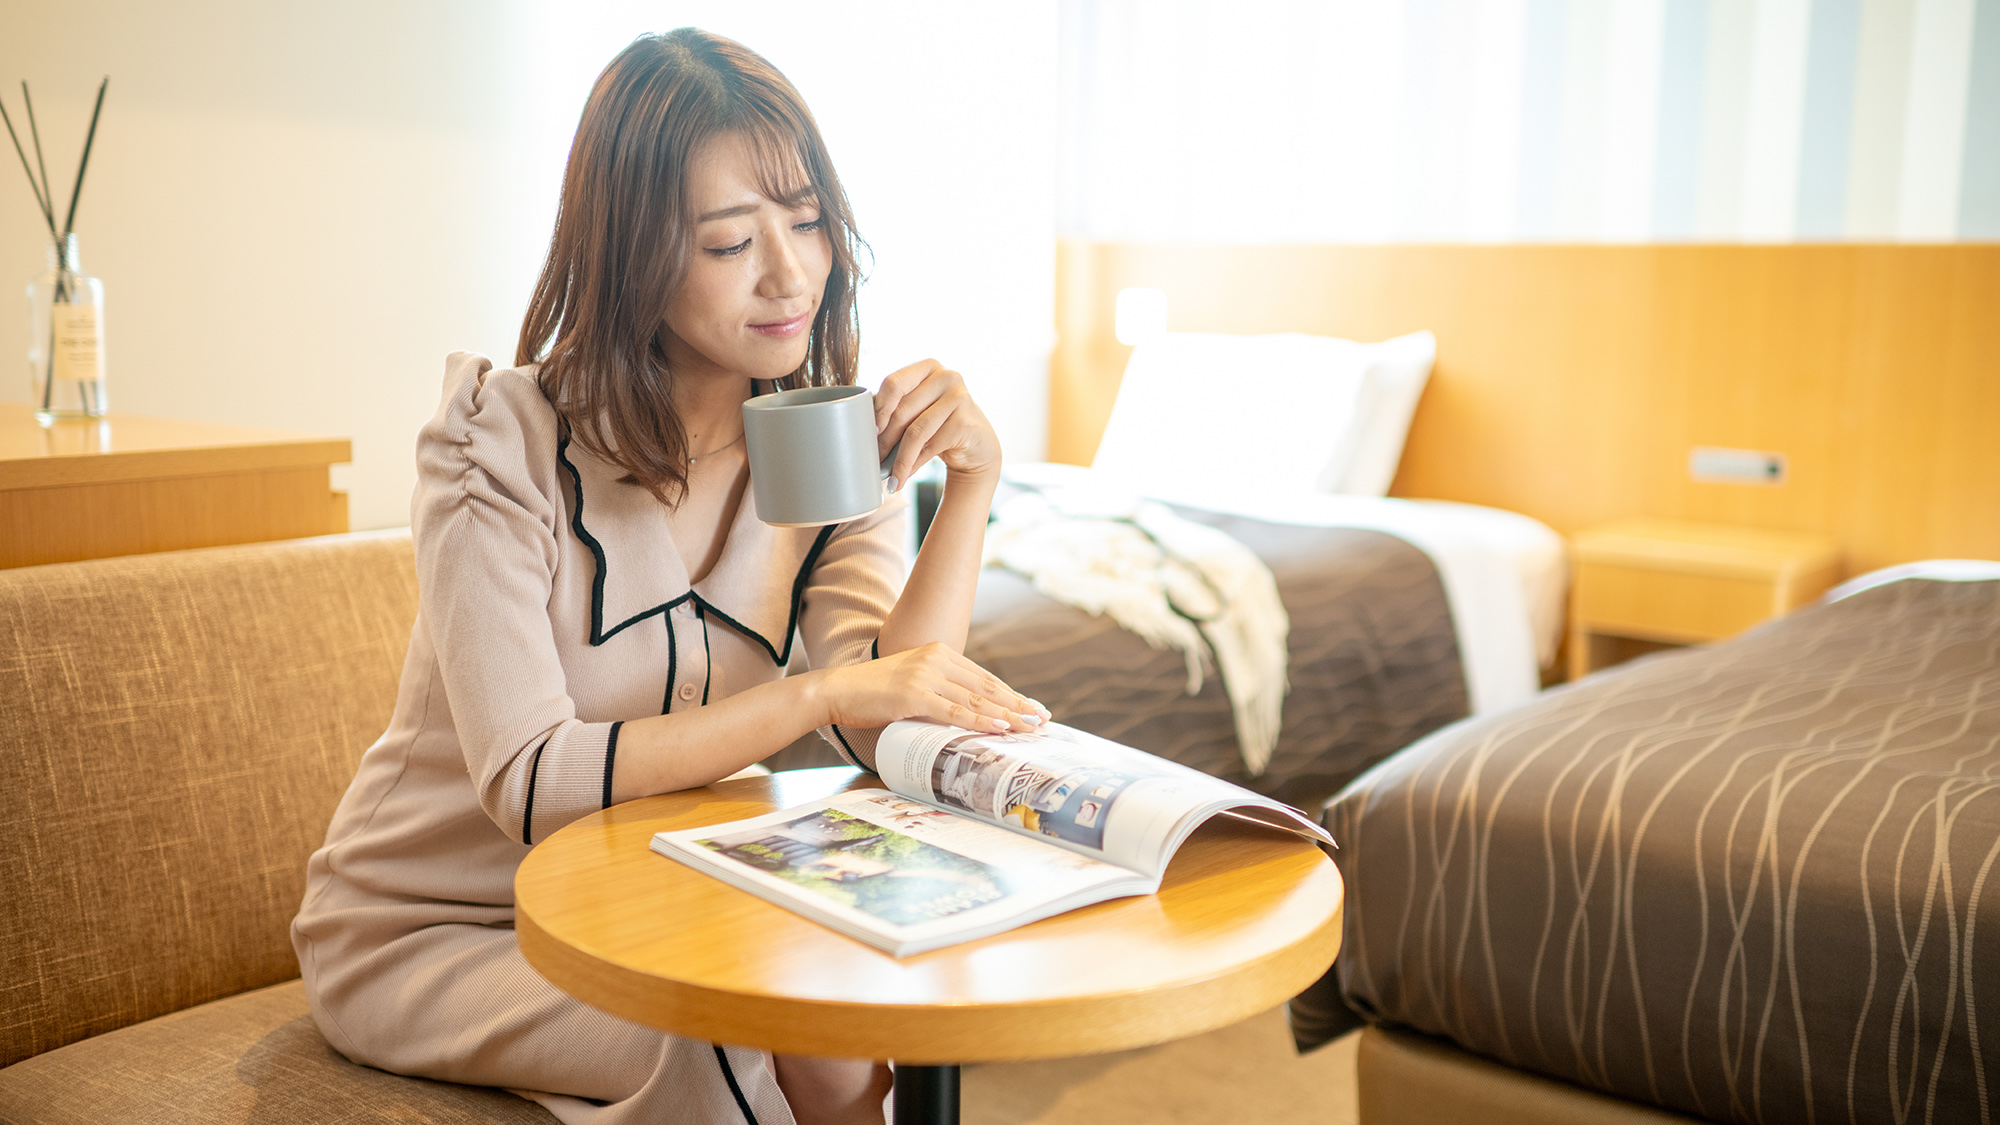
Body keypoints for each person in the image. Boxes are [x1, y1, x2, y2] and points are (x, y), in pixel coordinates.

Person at [291, 28, 1046, 1125]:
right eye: (732, 241)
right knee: (720, 1042)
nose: (790, 272)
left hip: (657, 902)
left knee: (843, 1041)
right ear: (633, 254)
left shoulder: (828, 442)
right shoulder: (495, 448)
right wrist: (816, 694)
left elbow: (887, 716)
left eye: (806, 221)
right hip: (436, 930)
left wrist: (968, 487)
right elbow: (535, 783)